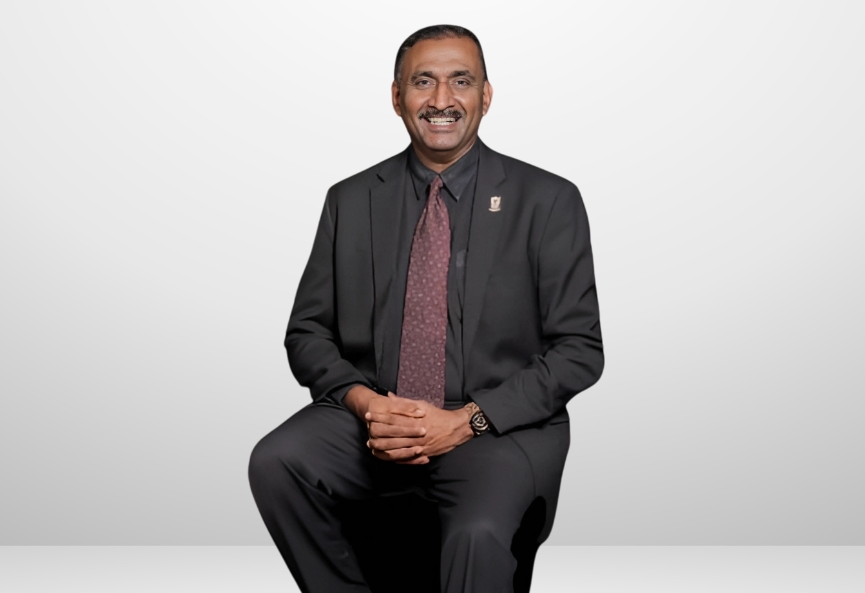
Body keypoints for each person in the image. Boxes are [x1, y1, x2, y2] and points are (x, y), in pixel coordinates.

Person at [248, 24, 604, 593]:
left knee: (477, 534)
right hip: (376, 417)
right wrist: (367, 404)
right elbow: (307, 333)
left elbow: (579, 350)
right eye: (423, 82)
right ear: (397, 97)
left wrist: (466, 421)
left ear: (486, 95)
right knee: (276, 461)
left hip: (495, 426)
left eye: (460, 81)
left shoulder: (548, 199)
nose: (442, 100)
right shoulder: (350, 199)